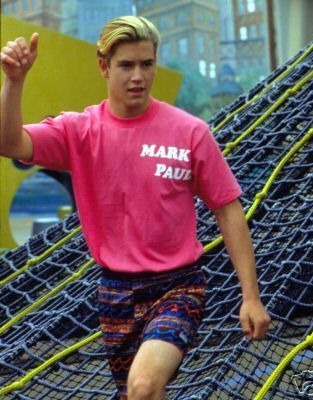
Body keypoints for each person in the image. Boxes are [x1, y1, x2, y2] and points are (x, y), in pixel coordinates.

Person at [0, 16, 271, 400]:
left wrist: (251, 295)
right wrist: (14, 81)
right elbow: (9, 143)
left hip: (177, 286)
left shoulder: (190, 132)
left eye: (147, 64)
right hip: (115, 292)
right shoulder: (81, 131)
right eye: (126, 65)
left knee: (143, 385)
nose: (138, 76)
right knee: (136, 394)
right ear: (103, 66)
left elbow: (227, 209)